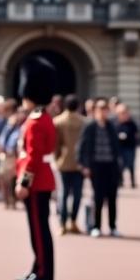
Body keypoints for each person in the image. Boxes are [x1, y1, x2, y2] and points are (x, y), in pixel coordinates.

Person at [15, 55, 58, 280]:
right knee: (38, 229)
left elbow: (32, 156)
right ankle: (38, 268)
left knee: (39, 231)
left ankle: (43, 274)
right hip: (41, 178)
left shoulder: (35, 122)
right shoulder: (41, 118)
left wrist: (24, 182)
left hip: (36, 181)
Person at [78, 97, 121, 238]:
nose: (102, 112)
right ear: (95, 111)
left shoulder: (112, 126)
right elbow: (82, 147)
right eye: (100, 109)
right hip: (96, 167)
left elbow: (116, 147)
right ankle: (96, 226)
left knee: (112, 198)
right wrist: (84, 165)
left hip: (111, 166)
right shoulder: (90, 127)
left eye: (105, 109)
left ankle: (113, 226)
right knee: (98, 198)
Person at [53, 94, 86, 234]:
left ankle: (62, 223)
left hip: (63, 162)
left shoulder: (58, 121)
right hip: (80, 164)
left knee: (63, 194)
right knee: (77, 194)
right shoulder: (84, 122)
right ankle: (73, 221)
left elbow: (56, 145)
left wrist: (57, 159)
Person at [114, 102, 138, 189]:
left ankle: (132, 182)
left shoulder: (132, 123)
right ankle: (120, 181)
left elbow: (135, 135)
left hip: (129, 147)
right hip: (120, 148)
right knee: (120, 165)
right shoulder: (115, 123)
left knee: (131, 165)